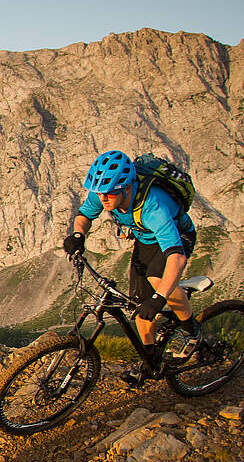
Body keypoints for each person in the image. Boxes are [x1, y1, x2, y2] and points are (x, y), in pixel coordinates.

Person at [64, 149, 200, 384]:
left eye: (110, 194)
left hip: (177, 237)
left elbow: (176, 257)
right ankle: (150, 362)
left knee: (157, 279)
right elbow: (84, 215)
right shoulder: (104, 192)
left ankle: (190, 330)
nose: (103, 198)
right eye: (100, 193)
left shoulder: (154, 207)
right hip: (146, 239)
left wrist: (158, 299)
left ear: (127, 187)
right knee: (139, 303)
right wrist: (78, 235)